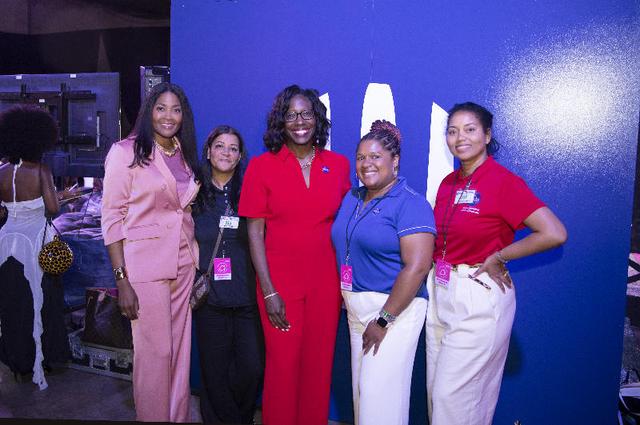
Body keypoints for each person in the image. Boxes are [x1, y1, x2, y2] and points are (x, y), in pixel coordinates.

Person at [426, 102, 568, 425]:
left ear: (487, 135)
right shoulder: (448, 184)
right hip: (441, 293)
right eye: (452, 131)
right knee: (439, 397)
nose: (460, 137)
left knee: (454, 401)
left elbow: (555, 232)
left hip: (477, 296)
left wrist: (500, 256)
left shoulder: (503, 182)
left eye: (470, 129)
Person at [238, 85, 351, 425]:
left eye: (306, 114)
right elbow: (254, 232)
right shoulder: (261, 166)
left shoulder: (340, 164)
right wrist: (268, 289)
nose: (299, 122)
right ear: (280, 122)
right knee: (283, 367)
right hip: (279, 284)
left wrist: (346, 284)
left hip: (325, 283)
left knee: (318, 367)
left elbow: (346, 230)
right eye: (291, 115)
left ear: (317, 120)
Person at [101, 82, 200, 422]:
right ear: (148, 112)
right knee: (154, 356)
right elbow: (112, 217)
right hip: (144, 269)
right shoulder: (125, 151)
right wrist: (121, 280)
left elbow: (181, 210)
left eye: (176, 109)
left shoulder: (183, 152)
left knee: (178, 354)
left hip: (184, 265)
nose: (168, 116)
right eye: (161, 108)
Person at [331, 120, 436, 425]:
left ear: (395, 161)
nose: (367, 164)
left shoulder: (410, 203)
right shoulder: (352, 198)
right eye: (361, 157)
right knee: (362, 395)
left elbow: (417, 267)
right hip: (355, 310)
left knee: (381, 398)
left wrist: (384, 319)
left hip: (393, 312)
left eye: (376, 157)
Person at [192, 125, 264, 424]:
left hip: (247, 297)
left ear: (240, 156)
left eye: (233, 148)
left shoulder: (251, 191)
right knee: (214, 372)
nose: (226, 152)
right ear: (208, 152)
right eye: (219, 146)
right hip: (211, 300)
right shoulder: (193, 194)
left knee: (252, 368)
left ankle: (240, 418)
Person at [0, 105, 68, 390]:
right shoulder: (40, 170)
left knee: (14, 304)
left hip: (7, 244)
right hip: (38, 245)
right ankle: (49, 359)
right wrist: (62, 197)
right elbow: (51, 208)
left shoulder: (1, 170)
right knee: (44, 303)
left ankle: (18, 362)